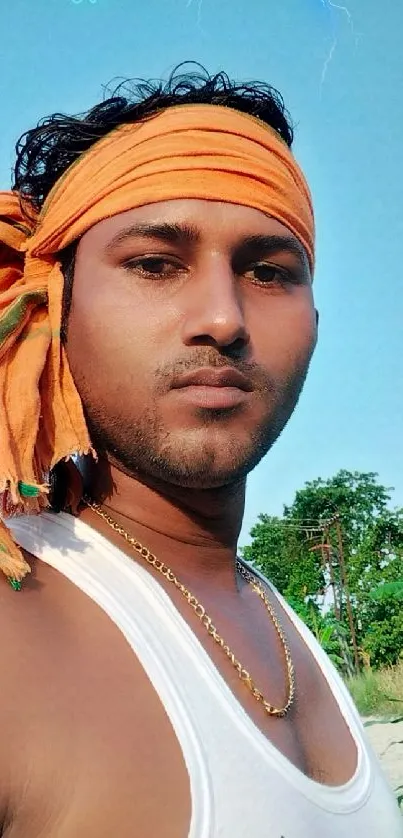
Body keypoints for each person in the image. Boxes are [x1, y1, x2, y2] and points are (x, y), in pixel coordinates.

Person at [0, 65, 401, 838]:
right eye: (155, 263)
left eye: (269, 272)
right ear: (52, 302)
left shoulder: (279, 619)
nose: (222, 317)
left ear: (313, 322)